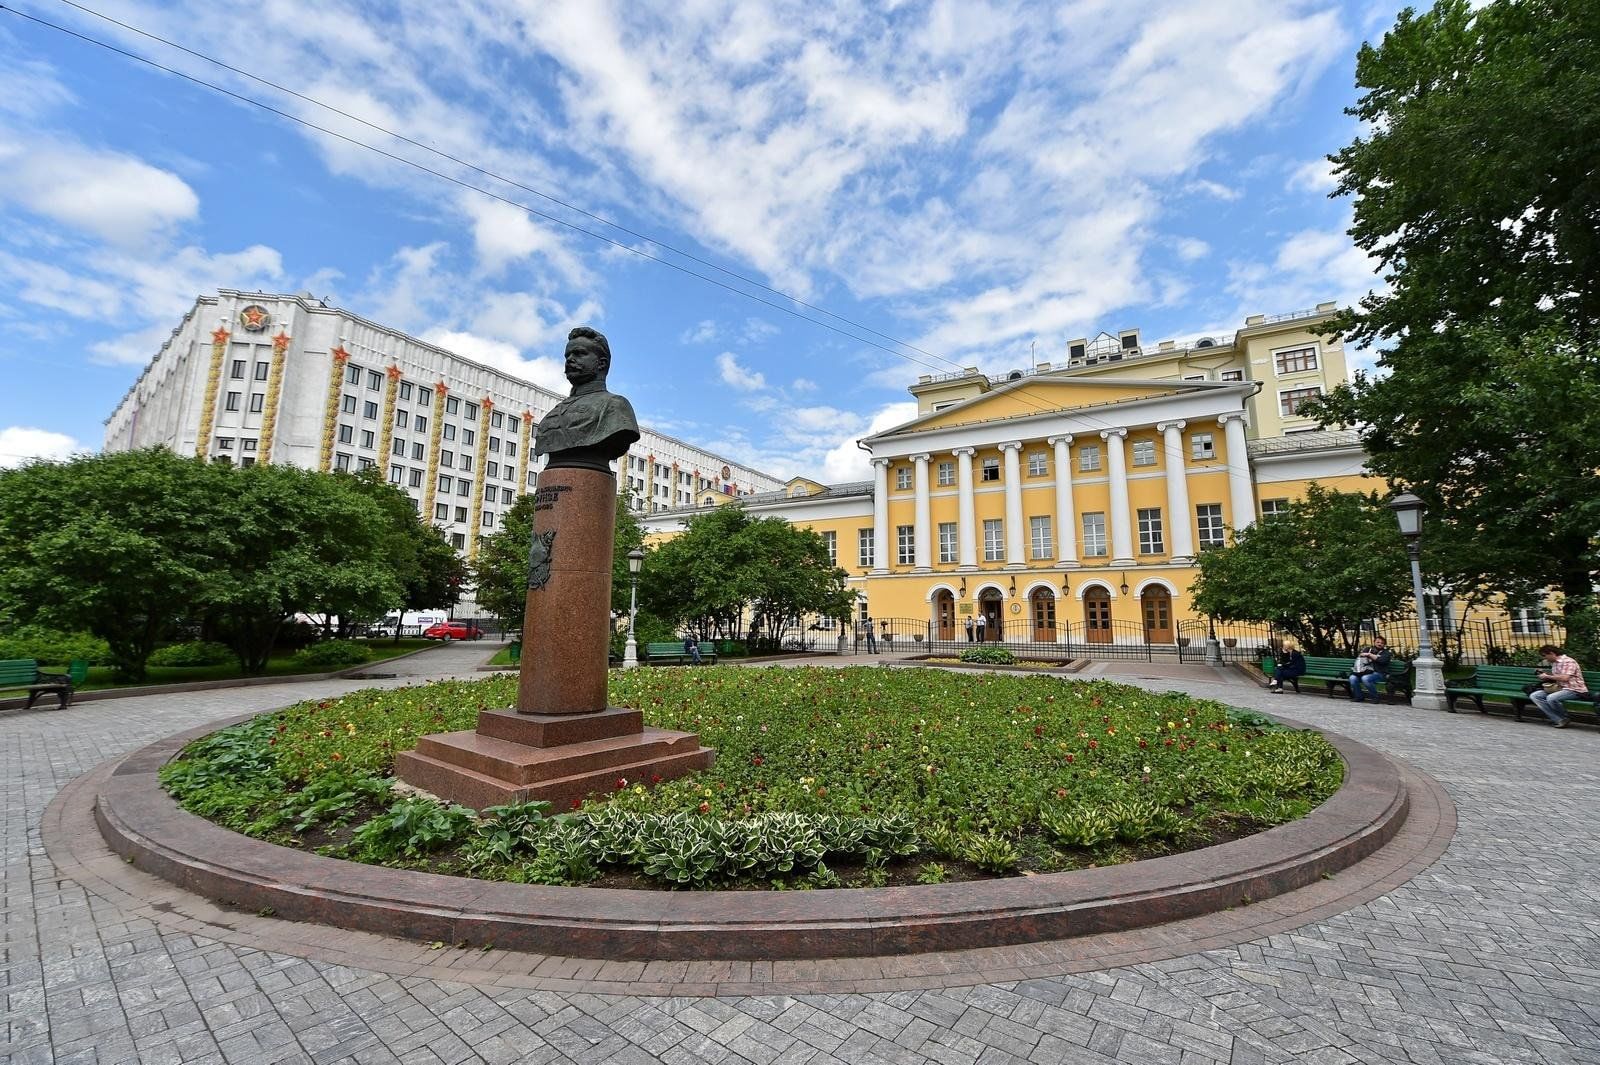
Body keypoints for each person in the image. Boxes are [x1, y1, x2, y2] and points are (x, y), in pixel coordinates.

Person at [533, 327, 641, 470]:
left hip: (592, 470)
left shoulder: (615, 405)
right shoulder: (555, 411)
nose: (570, 359)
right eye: (567, 355)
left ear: (601, 363)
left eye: (579, 354)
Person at [1531, 643, 1588, 728]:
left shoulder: (1569, 661)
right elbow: (1557, 677)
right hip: (1560, 688)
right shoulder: (1555, 663)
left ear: (1552, 653)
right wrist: (1544, 675)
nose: (1544, 658)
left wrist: (1547, 676)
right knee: (1535, 695)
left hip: (1575, 690)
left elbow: (1565, 678)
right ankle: (1559, 719)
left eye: (1545, 655)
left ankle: (1565, 718)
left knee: (1551, 698)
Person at [1348, 636, 1391, 703]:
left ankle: (1375, 697)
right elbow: (1361, 655)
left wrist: (1369, 655)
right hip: (1364, 671)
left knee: (1365, 678)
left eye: (1382, 643)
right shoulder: (1368, 649)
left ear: (1384, 644)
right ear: (1374, 642)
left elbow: (1381, 660)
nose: (1380, 644)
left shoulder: (1386, 653)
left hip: (1379, 674)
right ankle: (1359, 697)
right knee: (1352, 678)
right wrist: (1370, 655)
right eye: (1378, 642)